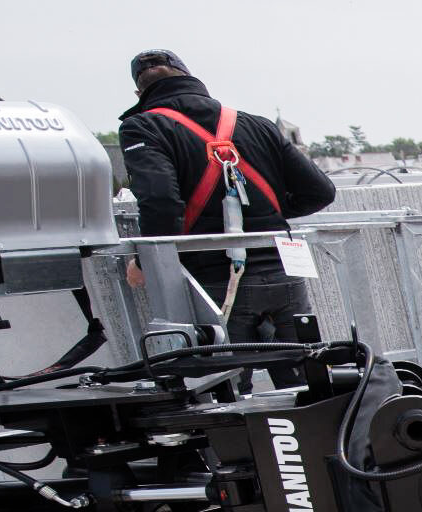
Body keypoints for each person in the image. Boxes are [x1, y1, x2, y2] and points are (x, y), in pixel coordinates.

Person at [118, 50, 337, 372]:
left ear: (140, 93)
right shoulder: (256, 124)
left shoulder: (143, 127)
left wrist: (143, 261)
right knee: (308, 375)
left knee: (228, 390)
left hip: (216, 281)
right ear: (191, 78)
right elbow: (320, 191)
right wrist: (267, 214)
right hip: (283, 270)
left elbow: (162, 203)